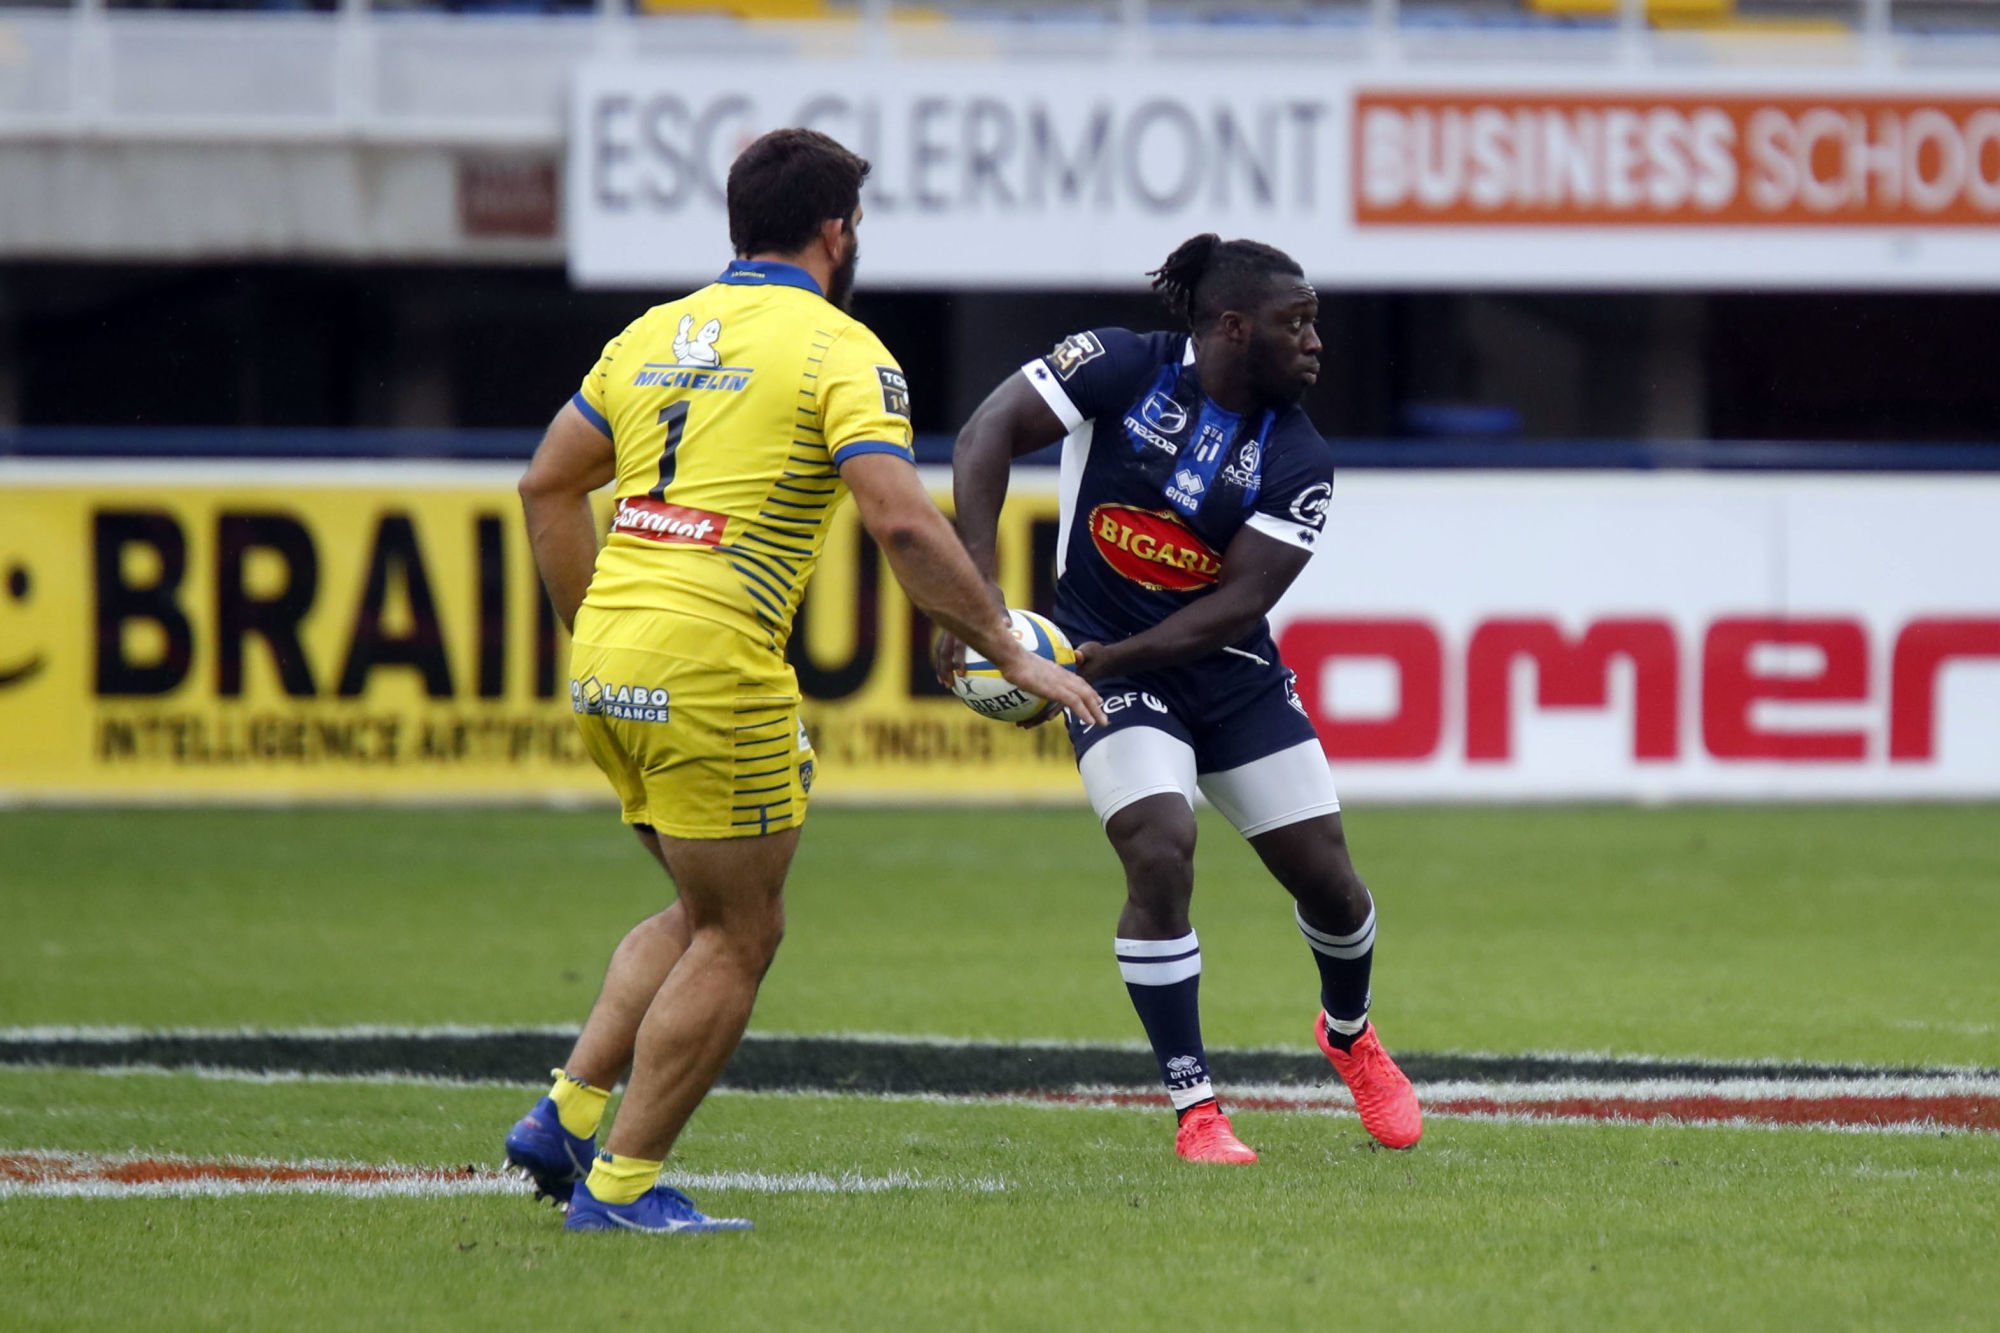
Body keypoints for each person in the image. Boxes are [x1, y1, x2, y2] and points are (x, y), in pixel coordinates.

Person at [505, 127, 1105, 1234]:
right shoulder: (840, 350)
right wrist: (1007, 644)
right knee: (741, 933)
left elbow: (547, 483)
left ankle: (565, 1116)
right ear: (837, 232)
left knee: (703, 909)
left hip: (609, 656)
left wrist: (600, 632)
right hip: (711, 662)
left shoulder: (650, 334)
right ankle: (621, 1189)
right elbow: (899, 521)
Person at [937, 234, 1421, 1163]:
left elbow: (1233, 607)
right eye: (1297, 323)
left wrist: (1101, 657)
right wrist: (978, 597)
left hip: (1227, 675)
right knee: (1159, 846)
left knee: (1334, 885)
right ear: (1233, 327)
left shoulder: (1300, 454)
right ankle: (1197, 1108)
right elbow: (984, 433)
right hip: (1114, 678)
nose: (1316, 341)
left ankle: (1350, 1033)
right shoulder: (1119, 365)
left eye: (1315, 322)